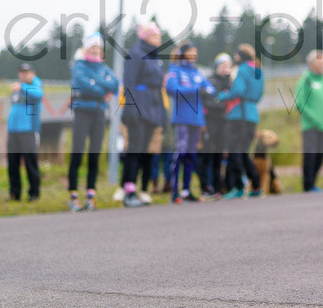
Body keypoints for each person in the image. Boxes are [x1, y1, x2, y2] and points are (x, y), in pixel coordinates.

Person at [67, 34, 119, 212]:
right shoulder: (79, 66)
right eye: (93, 49)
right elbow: (83, 85)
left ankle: (91, 194)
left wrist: (99, 84)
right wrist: (102, 88)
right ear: (86, 49)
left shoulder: (103, 67)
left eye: (99, 50)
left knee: (94, 155)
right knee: (78, 153)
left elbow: (115, 84)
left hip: (99, 114)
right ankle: (73, 195)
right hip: (82, 112)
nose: (96, 52)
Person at [120, 22, 166, 207]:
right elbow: (129, 81)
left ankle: (137, 190)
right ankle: (128, 191)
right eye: (155, 35)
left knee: (145, 150)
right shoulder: (136, 53)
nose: (159, 39)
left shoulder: (155, 58)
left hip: (152, 108)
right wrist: (130, 108)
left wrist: (161, 113)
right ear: (146, 36)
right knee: (134, 148)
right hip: (138, 108)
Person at [165, 42, 215, 203]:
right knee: (180, 152)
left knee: (191, 155)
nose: (194, 54)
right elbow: (172, 88)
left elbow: (211, 89)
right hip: (182, 119)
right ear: (183, 53)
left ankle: (186, 190)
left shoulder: (198, 72)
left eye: (196, 51)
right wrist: (195, 90)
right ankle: (174, 191)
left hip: (197, 119)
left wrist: (202, 90)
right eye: (191, 51)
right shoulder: (175, 70)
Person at [220, 44, 265, 198]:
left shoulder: (242, 70)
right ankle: (256, 186)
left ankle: (239, 187)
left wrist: (223, 96)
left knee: (234, 151)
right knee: (244, 151)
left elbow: (238, 90)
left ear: (239, 56)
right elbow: (258, 95)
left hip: (239, 114)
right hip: (253, 114)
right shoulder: (258, 71)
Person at [295, 49, 323, 192]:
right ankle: (308, 185)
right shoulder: (306, 80)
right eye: (320, 63)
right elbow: (300, 103)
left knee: (320, 156)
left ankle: (313, 183)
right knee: (310, 155)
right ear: (311, 64)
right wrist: (315, 118)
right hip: (310, 126)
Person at [6, 63, 43, 201]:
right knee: (13, 163)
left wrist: (22, 87)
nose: (23, 75)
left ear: (32, 73)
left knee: (30, 163)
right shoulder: (17, 89)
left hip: (28, 130)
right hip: (13, 131)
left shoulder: (35, 85)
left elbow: (38, 94)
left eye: (26, 72)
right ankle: (15, 193)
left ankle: (34, 192)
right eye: (21, 72)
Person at [201, 53, 233, 195]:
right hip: (211, 122)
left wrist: (221, 102)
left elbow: (228, 100)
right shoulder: (210, 80)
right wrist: (221, 103)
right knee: (208, 154)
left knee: (220, 155)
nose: (226, 68)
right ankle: (206, 186)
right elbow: (209, 101)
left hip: (224, 122)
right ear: (217, 66)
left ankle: (219, 187)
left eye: (228, 65)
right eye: (223, 65)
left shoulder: (230, 82)